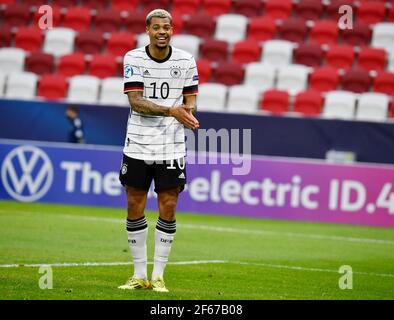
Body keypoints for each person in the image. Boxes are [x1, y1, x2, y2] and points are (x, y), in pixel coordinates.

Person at [118, 9, 199, 293]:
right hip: (138, 144)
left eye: (167, 27)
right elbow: (136, 102)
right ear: (148, 30)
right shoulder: (133, 58)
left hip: (172, 147)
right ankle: (140, 274)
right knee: (134, 205)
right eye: (157, 27)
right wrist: (172, 111)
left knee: (169, 206)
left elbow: (191, 102)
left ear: (172, 30)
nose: (162, 31)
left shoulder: (187, 61)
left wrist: (188, 114)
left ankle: (159, 276)